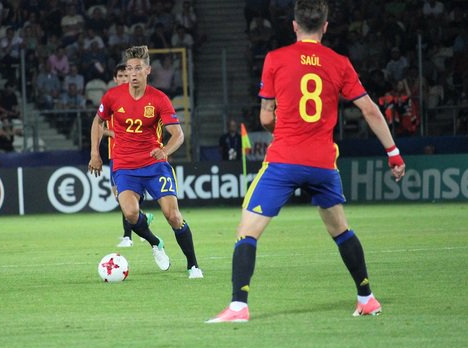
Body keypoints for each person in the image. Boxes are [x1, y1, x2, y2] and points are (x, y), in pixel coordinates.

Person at [207, 0, 406, 323]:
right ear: (325, 27)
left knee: (247, 233)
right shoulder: (339, 63)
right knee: (341, 231)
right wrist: (393, 153)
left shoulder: (275, 59)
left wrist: (281, 124)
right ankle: (366, 298)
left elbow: (265, 116)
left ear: (295, 25)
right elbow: (369, 109)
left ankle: (238, 306)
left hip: (284, 160)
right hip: (323, 163)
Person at [88, 45, 203, 279]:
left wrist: (165, 150)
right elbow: (97, 122)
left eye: (138, 68)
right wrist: (95, 154)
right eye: (129, 68)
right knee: (130, 214)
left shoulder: (159, 99)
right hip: (125, 166)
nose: (132, 73)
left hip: (154, 166)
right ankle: (155, 242)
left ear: (148, 70)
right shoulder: (112, 96)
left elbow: (178, 134)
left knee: (173, 216)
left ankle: (193, 265)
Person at [101, 63, 154, 248]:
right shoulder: (111, 100)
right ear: (115, 79)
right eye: (121, 76)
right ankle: (143, 220)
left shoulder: (138, 98)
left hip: (135, 157)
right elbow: (99, 126)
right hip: (115, 155)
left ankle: (127, 237)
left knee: (127, 197)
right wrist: (111, 133)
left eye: (126, 75)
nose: (125, 79)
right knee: (119, 197)